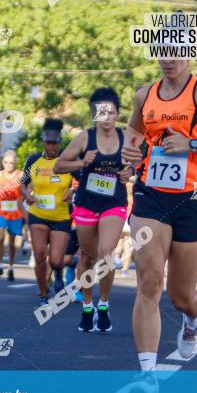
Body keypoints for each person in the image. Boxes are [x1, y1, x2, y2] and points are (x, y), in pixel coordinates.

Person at [121, 54, 197, 393]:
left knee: (180, 295)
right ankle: (147, 378)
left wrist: (191, 144)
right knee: (149, 282)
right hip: (150, 195)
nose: (168, 59)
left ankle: (194, 317)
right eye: (163, 51)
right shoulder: (145, 94)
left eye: (177, 51)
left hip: (193, 198)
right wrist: (132, 152)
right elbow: (134, 130)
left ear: (189, 55)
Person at [55, 88, 131, 332]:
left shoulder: (126, 137)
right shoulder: (84, 138)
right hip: (87, 203)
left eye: (111, 112)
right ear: (94, 115)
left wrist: (130, 172)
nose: (107, 117)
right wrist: (81, 162)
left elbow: (138, 165)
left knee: (106, 254)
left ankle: (104, 304)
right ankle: (87, 306)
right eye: (101, 112)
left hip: (114, 202)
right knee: (87, 256)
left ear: (117, 114)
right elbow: (58, 165)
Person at [21, 119, 73, 307]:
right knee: (40, 255)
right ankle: (43, 293)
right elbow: (23, 184)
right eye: (48, 142)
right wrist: (27, 194)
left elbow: (81, 181)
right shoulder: (33, 160)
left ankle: (57, 272)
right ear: (43, 141)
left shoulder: (67, 160)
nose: (52, 146)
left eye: (55, 142)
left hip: (61, 216)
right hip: (38, 214)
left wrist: (72, 191)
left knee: (57, 260)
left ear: (60, 142)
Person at [0, 150, 24, 281]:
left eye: (11, 162)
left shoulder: (21, 175)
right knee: (0, 235)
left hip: (15, 211)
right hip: (2, 210)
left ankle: (10, 266)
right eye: (6, 162)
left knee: (11, 240)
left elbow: (27, 189)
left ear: (15, 162)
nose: (8, 165)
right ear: (3, 163)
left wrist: (21, 198)